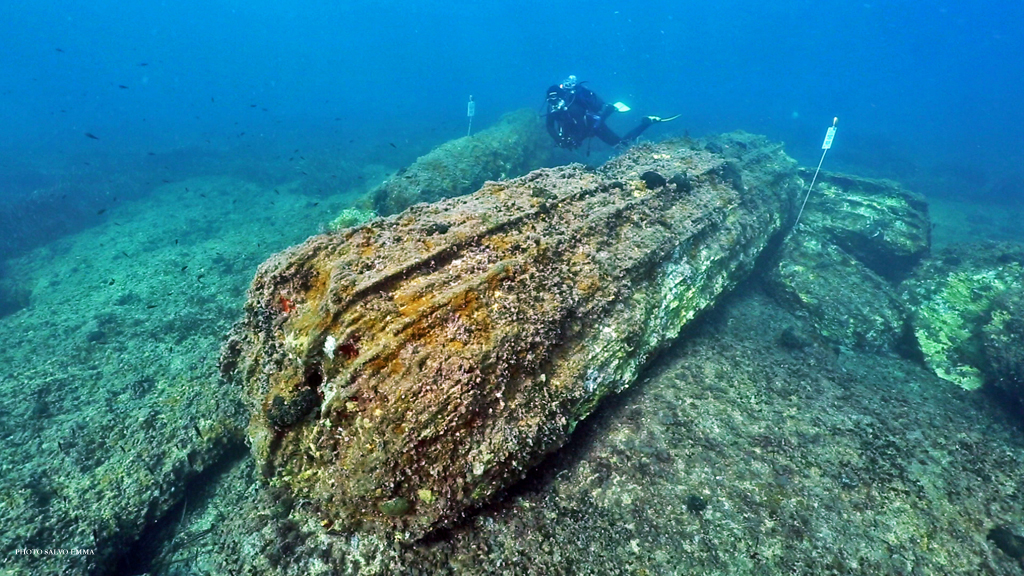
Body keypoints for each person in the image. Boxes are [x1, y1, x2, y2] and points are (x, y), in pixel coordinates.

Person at [545, 75, 678, 151]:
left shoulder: (573, 107)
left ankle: (646, 122)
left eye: (556, 100)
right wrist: (560, 140)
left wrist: (576, 140)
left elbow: (585, 129)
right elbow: (549, 126)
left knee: (622, 145)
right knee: (621, 145)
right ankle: (610, 111)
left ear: (562, 97)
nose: (554, 103)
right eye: (551, 101)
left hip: (594, 124)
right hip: (579, 129)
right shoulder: (551, 108)